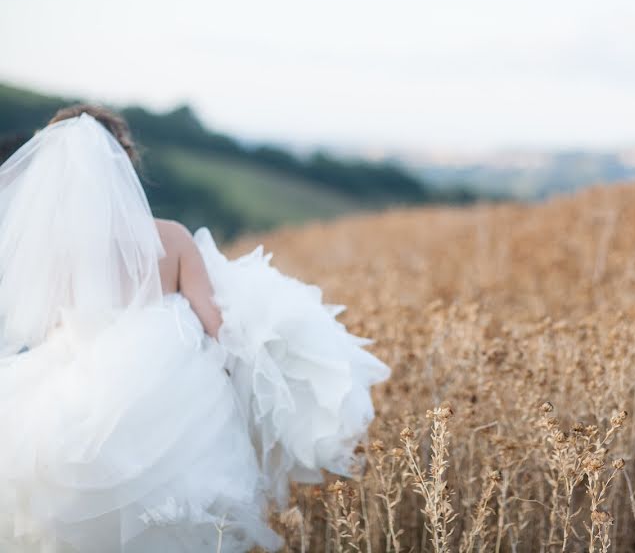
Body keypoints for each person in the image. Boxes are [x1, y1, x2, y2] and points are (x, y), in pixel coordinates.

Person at [0, 106, 391, 553]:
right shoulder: (172, 238)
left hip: (79, 408)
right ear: (127, 162)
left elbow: (50, 331)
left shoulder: (58, 256)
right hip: (179, 406)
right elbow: (216, 325)